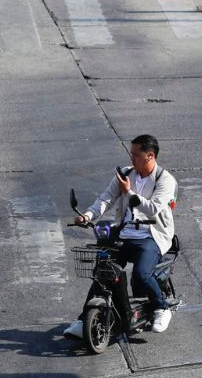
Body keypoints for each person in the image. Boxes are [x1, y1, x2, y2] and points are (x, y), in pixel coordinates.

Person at [63, 135, 178, 338]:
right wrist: (87, 215)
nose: (131, 158)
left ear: (149, 156)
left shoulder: (165, 180)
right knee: (103, 272)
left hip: (151, 236)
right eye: (131, 153)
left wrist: (130, 193)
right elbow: (106, 199)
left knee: (142, 274)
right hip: (124, 234)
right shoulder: (126, 173)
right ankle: (84, 320)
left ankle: (162, 308)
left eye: (136, 154)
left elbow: (153, 209)